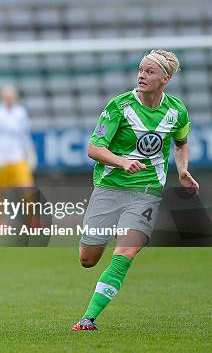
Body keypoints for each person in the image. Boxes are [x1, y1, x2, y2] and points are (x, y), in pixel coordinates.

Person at [72, 50, 199, 331]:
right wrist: (122, 162)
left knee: (126, 251)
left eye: (149, 72)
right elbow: (94, 148)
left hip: (147, 190)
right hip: (110, 187)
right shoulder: (120, 106)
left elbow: (181, 143)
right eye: (141, 70)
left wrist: (182, 170)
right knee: (88, 259)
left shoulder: (176, 110)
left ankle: (88, 319)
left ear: (164, 79)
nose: (142, 75)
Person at [0, 85, 36, 188]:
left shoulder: (21, 112)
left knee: (28, 187)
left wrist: (30, 152)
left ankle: (32, 205)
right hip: (1, 159)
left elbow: (25, 135)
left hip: (18, 157)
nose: (9, 99)